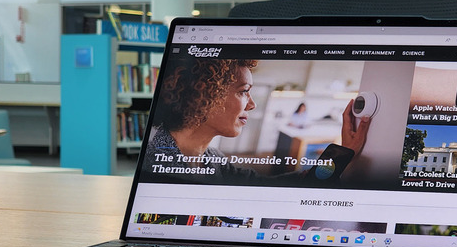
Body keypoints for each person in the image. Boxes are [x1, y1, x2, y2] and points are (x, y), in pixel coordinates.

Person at [143, 57, 371, 184]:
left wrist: (342, 153)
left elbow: (276, 187)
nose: (251, 104)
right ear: (208, 94)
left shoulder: (213, 160)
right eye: (243, 91)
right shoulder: (153, 161)